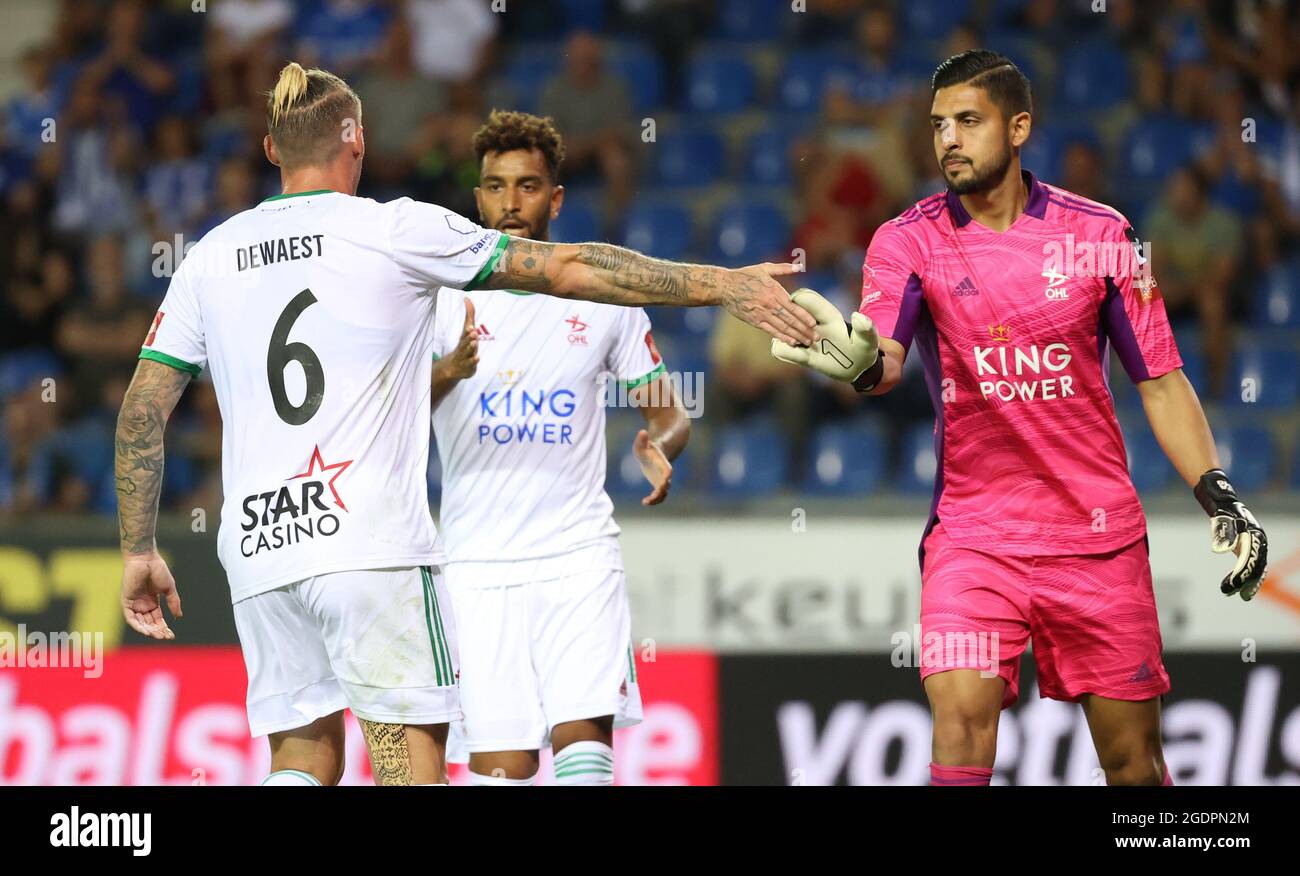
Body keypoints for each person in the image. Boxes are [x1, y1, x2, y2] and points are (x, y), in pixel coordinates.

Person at [114, 63, 812, 787]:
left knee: (300, 759)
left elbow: (142, 410)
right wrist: (721, 284)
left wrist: (138, 547)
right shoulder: (393, 228)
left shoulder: (210, 257)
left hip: (261, 551)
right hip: (369, 553)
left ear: (268, 149)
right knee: (407, 772)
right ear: (354, 138)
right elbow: (570, 267)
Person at [772, 50, 1268, 786]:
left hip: (1097, 538)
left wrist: (1217, 493)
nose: (948, 139)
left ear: (1019, 127)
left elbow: (1161, 382)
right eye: (939, 124)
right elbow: (884, 357)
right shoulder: (907, 240)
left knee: (1134, 763)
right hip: (975, 538)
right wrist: (858, 365)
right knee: (960, 719)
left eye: (968, 121)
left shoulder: (1102, 236)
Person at [429, 110, 688, 785]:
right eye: (494, 186)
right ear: (476, 194)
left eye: (527, 186)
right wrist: (443, 374)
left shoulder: (605, 294)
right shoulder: (434, 300)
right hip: (474, 565)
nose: (510, 204)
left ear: (556, 198)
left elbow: (669, 414)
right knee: (503, 770)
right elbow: (383, 416)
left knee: (584, 752)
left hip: (577, 554)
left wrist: (661, 443)